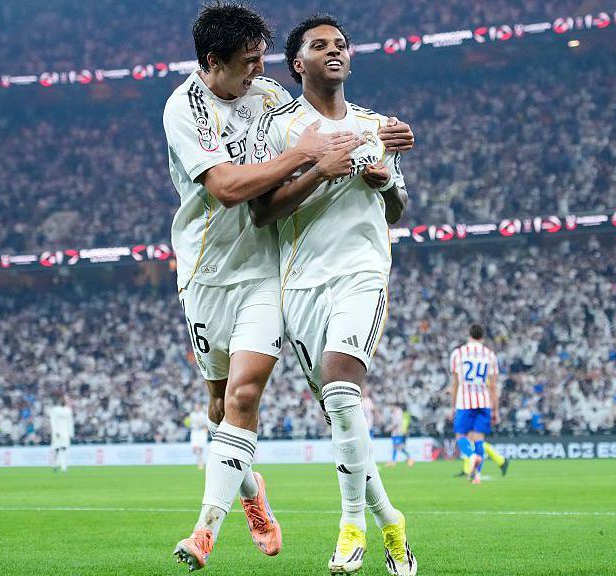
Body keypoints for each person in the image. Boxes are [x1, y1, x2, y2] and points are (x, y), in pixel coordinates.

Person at [165, 4, 414, 572]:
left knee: (253, 397)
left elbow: (324, 122)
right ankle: (253, 491)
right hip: (206, 272)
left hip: (271, 270)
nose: (258, 72)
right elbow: (230, 190)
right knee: (218, 405)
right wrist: (309, 158)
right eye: (248, 63)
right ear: (213, 63)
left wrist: (381, 138)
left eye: (262, 59)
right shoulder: (184, 108)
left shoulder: (272, 97)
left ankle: (207, 530)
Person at [247, 14, 416, 575]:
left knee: (344, 389)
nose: (334, 51)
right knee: (342, 418)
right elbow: (261, 212)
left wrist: (384, 180)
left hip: (362, 271)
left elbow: (397, 207)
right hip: (299, 283)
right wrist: (320, 170)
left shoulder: (376, 125)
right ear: (298, 63)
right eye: (320, 46)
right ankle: (392, 520)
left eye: (341, 44)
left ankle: (352, 527)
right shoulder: (279, 127)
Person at [450, 325, 507, 484]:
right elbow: (493, 386)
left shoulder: (458, 353)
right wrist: (495, 410)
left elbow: (455, 384)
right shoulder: (490, 355)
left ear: (469, 335)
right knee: (478, 439)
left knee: (461, 436)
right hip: (484, 401)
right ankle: (477, 476)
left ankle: (470, 456)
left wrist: (453, 406)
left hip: (464, 401)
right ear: (483, 337)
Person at [48, 393, 74, 473]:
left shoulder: (68, 410)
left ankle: (64, 467)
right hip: (57, 432)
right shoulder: (55, 410)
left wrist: (71, 433)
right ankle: (55, 465)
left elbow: (70, 422)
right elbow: (52, 422)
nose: (63, 401)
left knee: (64, 449)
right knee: (56, 449)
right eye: (62, 400)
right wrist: (55, 431)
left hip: (65, 432)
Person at [187, 403, 209, 470]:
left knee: (201, 447)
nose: (196, 407)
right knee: (194, 448)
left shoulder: (203, 414)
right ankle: (200, 460)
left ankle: (201, 462)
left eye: (197, 406)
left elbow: (206, 424)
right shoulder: (192, 414)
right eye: (195, 406)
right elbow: (190, 424)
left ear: (199, 407)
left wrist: (206, 430)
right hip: (194, 431)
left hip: (201, 431)